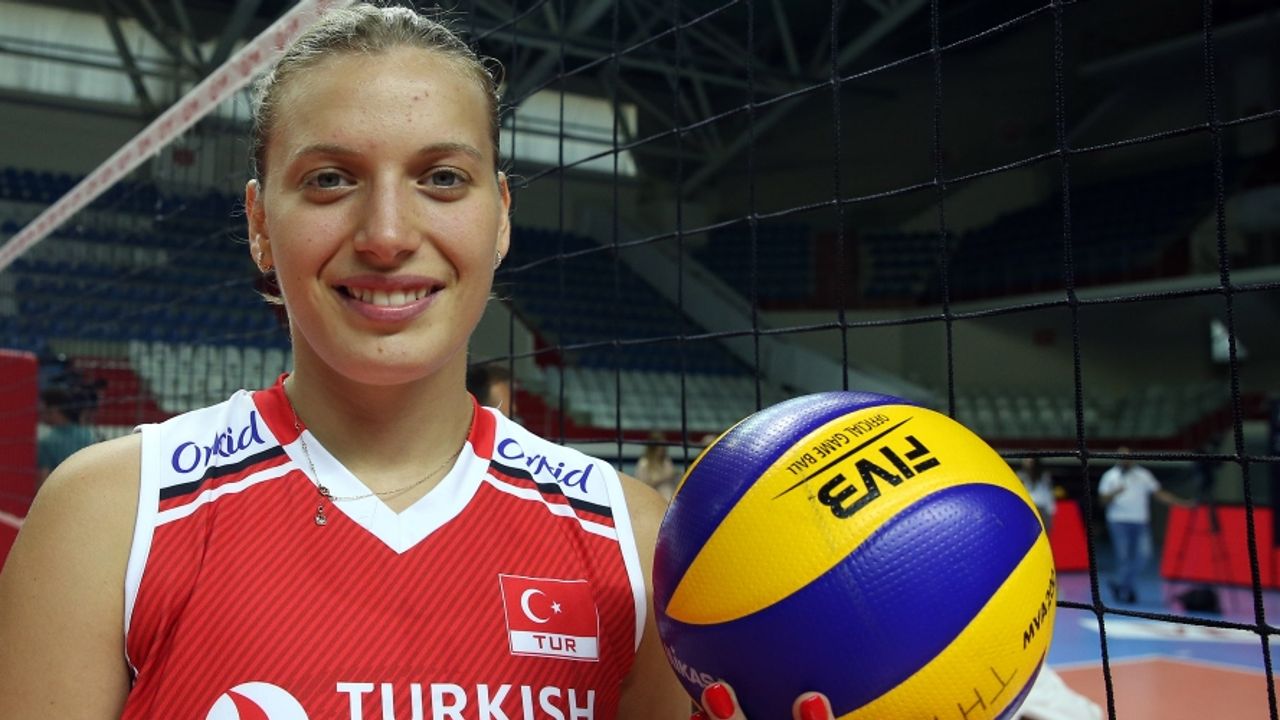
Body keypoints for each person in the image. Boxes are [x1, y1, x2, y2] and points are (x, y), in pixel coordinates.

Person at [0, 5, 828, 719]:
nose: (388, 235)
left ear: (501, 217)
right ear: (258, 224)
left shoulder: (631, 540)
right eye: (331, 179)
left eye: (441, 177)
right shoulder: (112, 517)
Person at [1098, 447, 1191, 604]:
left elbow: (1159, 493)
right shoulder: (1110, 476)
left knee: (1144, 555)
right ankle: (1127, 589)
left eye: (1128, 456)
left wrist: (1181, 503)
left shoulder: (1143, 475)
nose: (1125, 459)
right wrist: (1114, 493)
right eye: (1122, 456)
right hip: (1118, 521)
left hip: (1140, 522)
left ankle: (1121, 584)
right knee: (1124, 558)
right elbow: (1102, 500)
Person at [35, 386, 95, 489]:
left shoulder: (47, 441)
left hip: (59, 493)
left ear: (53, 410)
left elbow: (43, 482)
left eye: (43, 408)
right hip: (85, 491)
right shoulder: (87, 435)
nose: (40, 412)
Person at [1017, 457, 1057, 535]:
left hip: (1042, 508)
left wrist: (1051, 510)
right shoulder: (1020, 476)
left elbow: (1048, 494)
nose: (1029, 463)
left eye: (1031, 461)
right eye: (1026, 460)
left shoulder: (1044, 476)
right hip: (1027, 508)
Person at [635, 432, 679, 502]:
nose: (663, 449)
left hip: (668, 501)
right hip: (652, 501)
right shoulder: (644, 463)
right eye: (661, 446)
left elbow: (673, 479)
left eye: (664, 446)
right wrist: (664, 478)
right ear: (653, 447)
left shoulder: (666, 462)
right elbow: (641, 486)